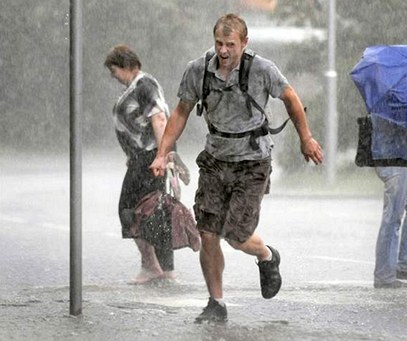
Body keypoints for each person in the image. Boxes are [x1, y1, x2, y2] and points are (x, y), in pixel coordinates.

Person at [150, 14, 323, 322]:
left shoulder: (262, 69)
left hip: (252, 161)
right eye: (219, 43)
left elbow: (291, 98)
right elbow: (180, 112)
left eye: (231, 44)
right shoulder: (198, 70)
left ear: (245, 42)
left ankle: (267, 255)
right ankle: (216, 303)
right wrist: (162, 153)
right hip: (215, 159)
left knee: (236, 236)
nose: (224, 50)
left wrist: (305, 137)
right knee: (208, 233)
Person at [104, 45, 175, 284]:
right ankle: (164, 268)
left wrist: (161, 155)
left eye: (113, 69)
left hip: (148, 158)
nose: (112, 75)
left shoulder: (144, 85)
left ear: (126, 66)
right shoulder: (139, 86)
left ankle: (151, 265)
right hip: (144, 156)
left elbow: (159, 118)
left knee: (132, 210)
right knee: (155, 210)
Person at [370, 115, 407, 289]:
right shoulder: (394, 98)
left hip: (399, 159)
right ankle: (384, 276)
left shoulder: (400, 97)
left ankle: (404, 266)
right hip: (391, 159)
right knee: (392, 218)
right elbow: (396, 124)